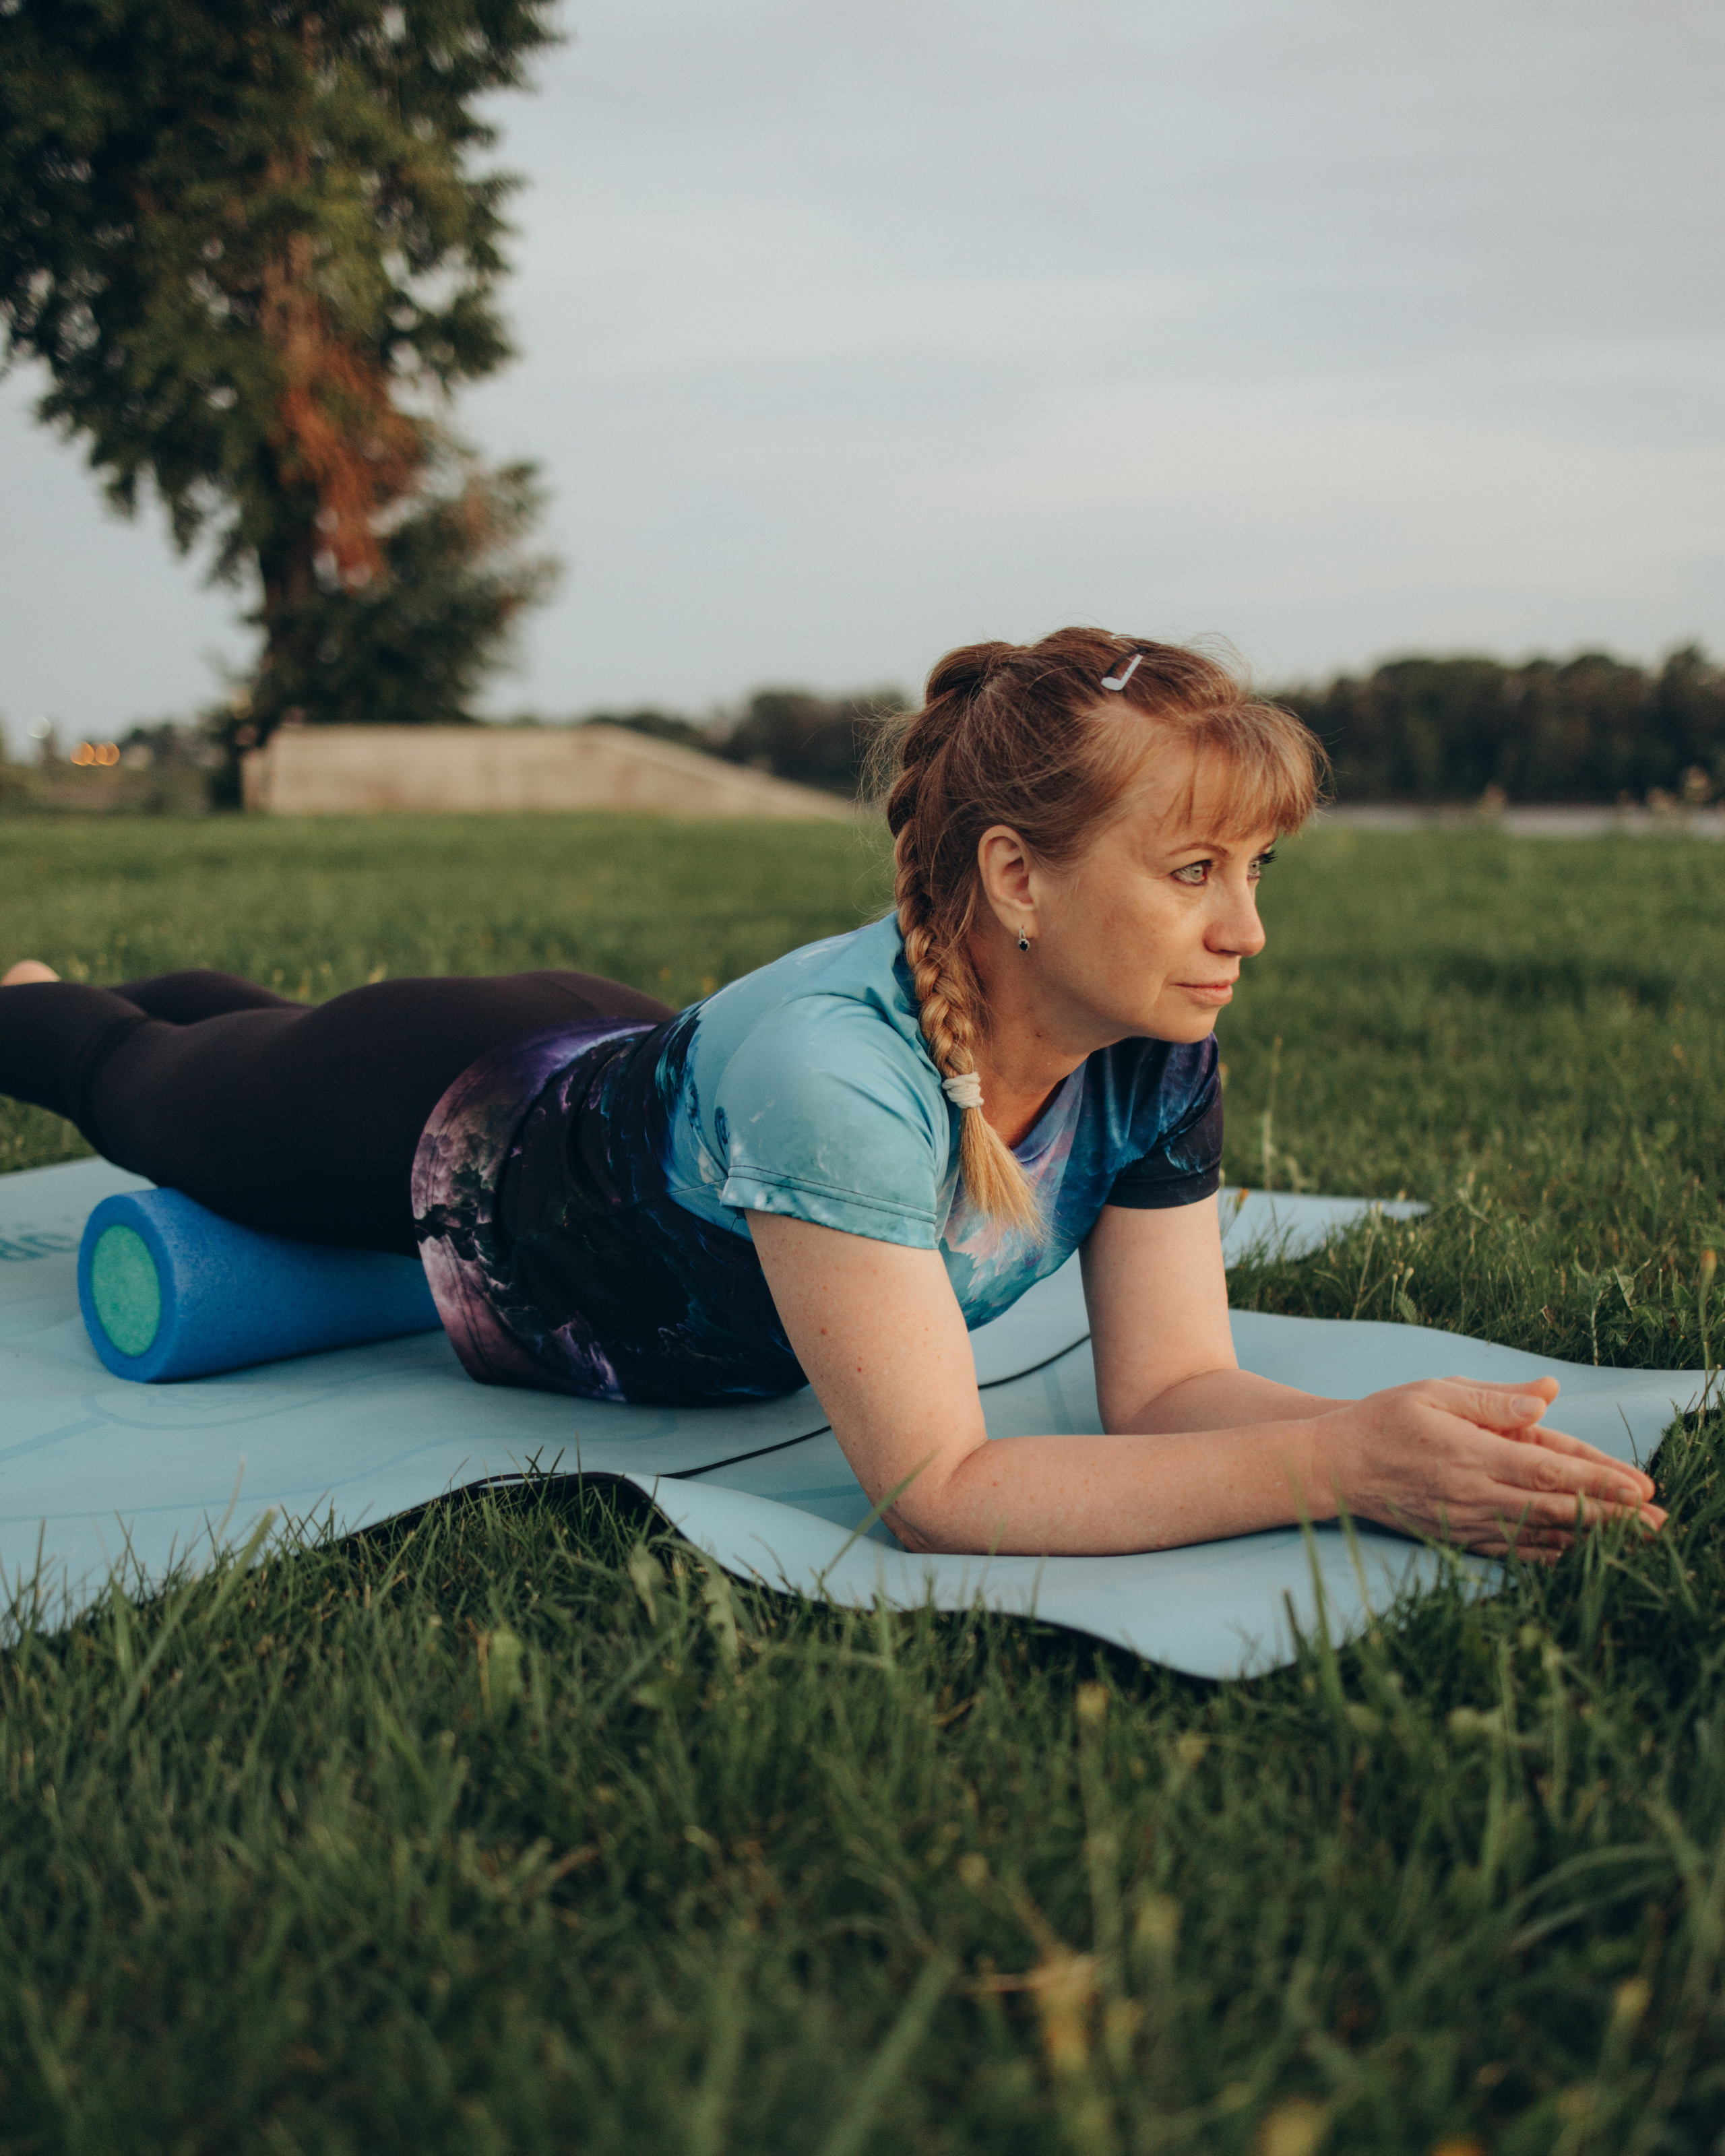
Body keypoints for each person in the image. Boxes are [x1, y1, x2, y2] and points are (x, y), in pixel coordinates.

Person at [0, 628, 1663, 1562]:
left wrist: (1383, 1438)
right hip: (450, 1130)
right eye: (1192, 870)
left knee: (235, 1039)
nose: (1246, 927)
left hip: (636, 1063)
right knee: (133, 1078)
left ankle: (232, 1025)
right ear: (1015, 876)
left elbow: (1164, 1395)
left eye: (1257, 866)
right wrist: (1336, 1471)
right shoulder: (834, 1080)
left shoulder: (1158, 1048)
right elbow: (938, 1489)